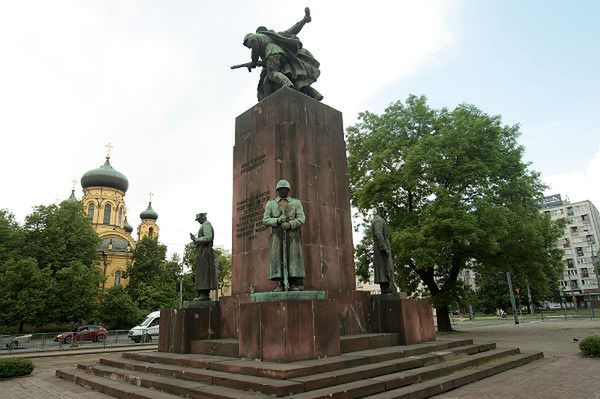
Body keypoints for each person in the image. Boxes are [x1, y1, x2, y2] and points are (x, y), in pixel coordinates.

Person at [242, 7, 323, 101]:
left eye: (246, 45)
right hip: (283, 57)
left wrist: (253, 62)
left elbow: (255, 50)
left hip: (272, 53)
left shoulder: (253, 38)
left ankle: (287, 84)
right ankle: (315, 94)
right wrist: (304, 20)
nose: (248, 47)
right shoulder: (274, 37)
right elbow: (292, 30)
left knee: (272, 73)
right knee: (280, 79)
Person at [263, 180, 306, 291]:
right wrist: (277, 220)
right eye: (280, 189)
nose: (283, 191)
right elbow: (266, 220)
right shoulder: (270, 204)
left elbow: (301, 218)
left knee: (293, 258)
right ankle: (279, 284)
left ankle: (292, 283)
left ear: (288, 190)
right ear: (277, 191)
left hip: (292, 234)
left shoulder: (296, 203)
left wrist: (291, 224)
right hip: (277, 234)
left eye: (285, 189)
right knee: (277, 257)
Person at [190, 213, 216, 301]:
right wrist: (194, 242)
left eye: (198, 220)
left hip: (205, 252)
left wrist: (196, 240)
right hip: (203, 252)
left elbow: (208, 237)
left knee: (204, 273)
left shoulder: (207, 225)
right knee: (202, 273)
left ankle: (204, 295)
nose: (198, 222)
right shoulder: (203, 226)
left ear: (202, 218)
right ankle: (203, 294)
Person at [371, 206, 398, 294]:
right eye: (385, 212)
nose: (385, 215)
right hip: (381, 248)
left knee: (385, 267)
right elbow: (378, 233)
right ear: (381, 211)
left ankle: (387, 286)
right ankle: (385, 287)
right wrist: (384, 247)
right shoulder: (378, 220)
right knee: (384, 267)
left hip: (381, 246)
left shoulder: (379, 220)